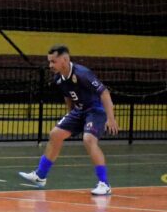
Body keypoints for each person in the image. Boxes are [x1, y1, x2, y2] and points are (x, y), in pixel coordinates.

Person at [19, 45, 119, 195]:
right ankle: (40, 176)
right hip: (78, 111)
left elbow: (104, 93)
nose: (50, 65)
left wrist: (111, 119)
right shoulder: (58, 78)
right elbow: (68, 96)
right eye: (49, 62)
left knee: (88, 139)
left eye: (53, 61)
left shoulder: (82, 74)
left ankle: (104, 184)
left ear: (65, 60)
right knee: (55, 134)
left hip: (95, 111)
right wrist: (70, 116)